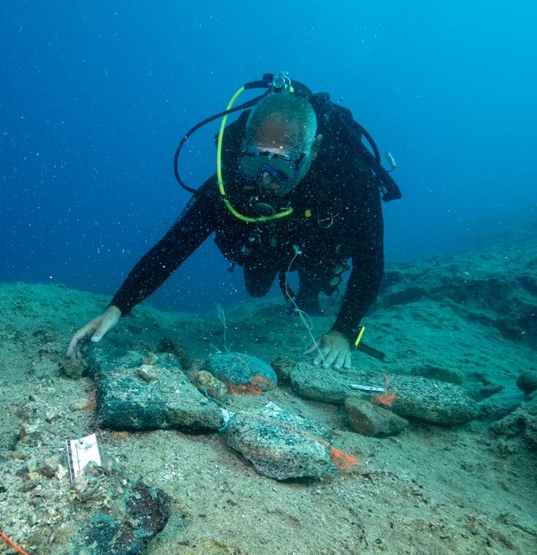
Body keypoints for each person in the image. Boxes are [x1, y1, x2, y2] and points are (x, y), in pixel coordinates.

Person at [67, 75, 394, 370]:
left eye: (283, 165)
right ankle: (272, 267)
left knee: (319, 271)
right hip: (261, 244)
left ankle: (309, 291)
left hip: (316, 246)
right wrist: (117, 307)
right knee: (257, 285)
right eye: (255, 160)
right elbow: (172, 247)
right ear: (242, 149)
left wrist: (344, 331)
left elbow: (370, 260)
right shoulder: (228, 185)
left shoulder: (352, 181)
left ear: (314, 150)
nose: (267, 179)